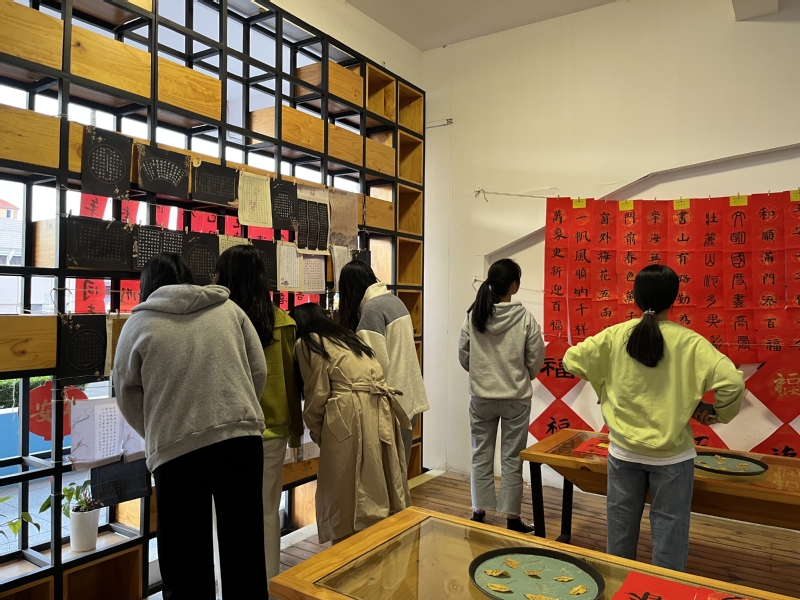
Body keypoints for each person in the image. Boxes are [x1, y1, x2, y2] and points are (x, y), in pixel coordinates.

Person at [563, 264, 745, 572]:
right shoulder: (691, 342)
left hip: (623, 452)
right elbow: (733, 383)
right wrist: (716, 413)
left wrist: (604, 388)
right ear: (674, 299)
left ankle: (619, 583)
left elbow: (572, 360)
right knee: (670, 531)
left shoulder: (615, 335)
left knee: (620, 527)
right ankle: (666, 590)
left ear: (635, 297)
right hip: (673, 457)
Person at [114, 253, 269, 599]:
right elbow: (258, 369)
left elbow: (126, 394)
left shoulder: (137, 325)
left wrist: (158, 429)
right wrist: (238, 411)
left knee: (185, 563)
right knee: (244, 552)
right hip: (240, 440)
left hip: (176, 450)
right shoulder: (229, 310)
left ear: (146, 287)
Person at [214, 245, 301, 588]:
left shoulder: (219, 322)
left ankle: (226, 584)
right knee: (267, 511)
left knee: (224, 514)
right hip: (273, 430)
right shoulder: (283, 322)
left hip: (227, 431)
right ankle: (267, 583)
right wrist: (295, 431)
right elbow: (291, 384)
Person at [291, 302, 410, 544]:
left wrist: (318, 432)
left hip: (350, 411)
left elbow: (317, 392)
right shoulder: (347, 337)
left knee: (343, 484)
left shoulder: (307, 342)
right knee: (377, 478)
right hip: (378, 408)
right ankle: (378, 543)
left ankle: (350, 549)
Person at [458, 258, 545, 533]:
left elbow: (463, 355)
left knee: (480, 454)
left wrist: (481, 374)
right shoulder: (525, 318)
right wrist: (524, 375)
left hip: (481, 398)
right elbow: (536, 357)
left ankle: (479, 511)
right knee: (512, 458)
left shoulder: (474, 316)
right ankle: (511, 517)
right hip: (516, 399)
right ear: (514, 286)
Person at [338, 260, 429, 467]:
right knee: (400, 472)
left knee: (386, 476)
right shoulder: (394, 301)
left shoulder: (371, 310)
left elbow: (373, 367)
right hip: (408, 399)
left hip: (390, 407)